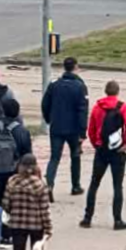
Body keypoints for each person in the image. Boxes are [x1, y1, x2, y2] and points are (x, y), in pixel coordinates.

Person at [80, 81, 126, 230]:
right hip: (117, 150)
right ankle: (117, 220)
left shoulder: (97, 107)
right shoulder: (124, 108)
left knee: (94, 184)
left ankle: (87, 218)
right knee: (117, 186)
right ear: (117, 92)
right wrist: (125, 142)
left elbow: (91, 128)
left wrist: (95, 143)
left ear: (105, 91)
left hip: (101, 149)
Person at [0, 153, 51, 250]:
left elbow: (5, 204)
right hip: (36, 224)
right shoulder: (40, 184)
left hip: (17, 224)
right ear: (35, 167)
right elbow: (44, 209)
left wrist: (14, 211)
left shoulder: (12, 182)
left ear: (20, 165)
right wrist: (48, 228)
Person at [39, 57, 89, 200]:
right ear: (75, 67)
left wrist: (49, 119)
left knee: (54, 157)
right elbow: (82, 111)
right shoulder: (80, 86)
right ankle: (75, 185)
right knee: (75, 156)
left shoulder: (54, 84)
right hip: (73, 129)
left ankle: (49, 184)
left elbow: (45, 104)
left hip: (56, 127)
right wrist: (82, 132)